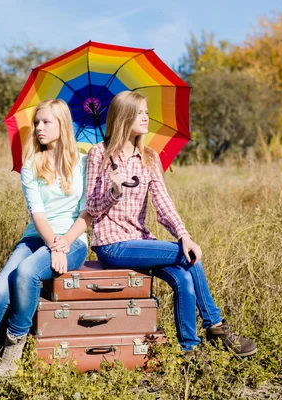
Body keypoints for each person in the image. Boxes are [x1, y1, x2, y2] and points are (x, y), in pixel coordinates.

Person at [86, 91, 256, 357]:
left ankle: (190, 351)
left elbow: (163, 205)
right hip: (112, 245)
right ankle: (216, 327)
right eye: (140, 113)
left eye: (146, 113)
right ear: (124, 116)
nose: (146, 118)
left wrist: (184, 235)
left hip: (141, 241)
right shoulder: (99, 154)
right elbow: (92, 209)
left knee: (183, 278)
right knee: (187, 257)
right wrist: (114, 190)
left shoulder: (149, 157)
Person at [0, 99, 91, 376]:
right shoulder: (32, 164)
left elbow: (87, 214)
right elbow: (38, 214)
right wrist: (53, 244)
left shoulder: (85, 164)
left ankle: (13, 347)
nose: (39, 128)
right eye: (37, 122)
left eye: (46, 122)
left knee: (27, 272)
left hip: (73, 240)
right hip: (37, 237)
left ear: (62, 125)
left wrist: (64, 242)